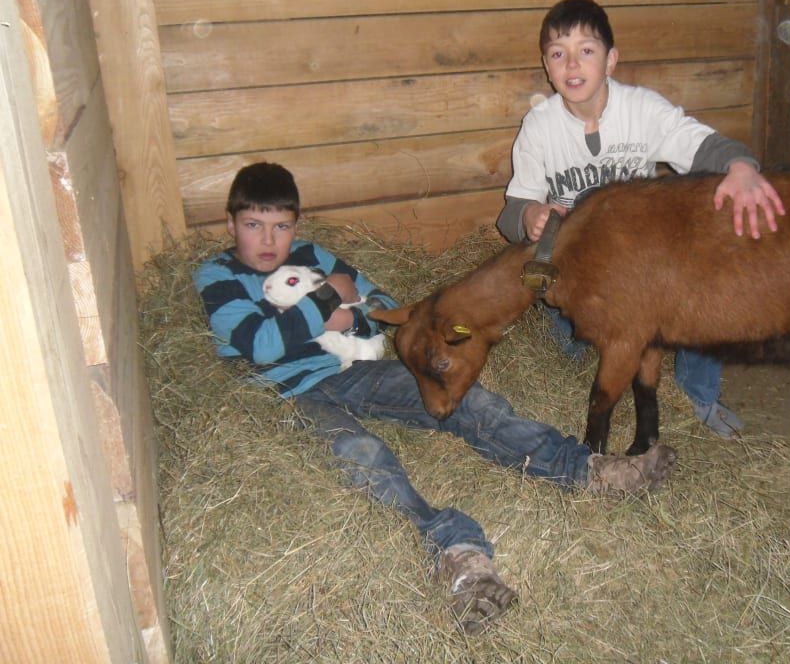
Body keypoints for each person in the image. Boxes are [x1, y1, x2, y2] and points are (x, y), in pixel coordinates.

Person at [193, 162, 679, 634]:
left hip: (353, 370)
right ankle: (458, 555)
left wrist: (349, 317)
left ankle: (586, 470)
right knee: (361, 454)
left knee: (469, 401)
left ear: (296, 226)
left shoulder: (312, 255)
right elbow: (260, 345)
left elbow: (383, 306)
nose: (269, 240)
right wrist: (327, 303)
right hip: (289, 393)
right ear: (231, 224)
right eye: (253, 225)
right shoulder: (218, 276)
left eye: (281, 226)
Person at [497, 0, 786, 440]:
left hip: (643, 257)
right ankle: (579, 336)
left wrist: (741, 165)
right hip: (581, 267)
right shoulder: (539, 127)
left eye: (586, 50)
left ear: (611, 60)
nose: (572, 64)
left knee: (702, 290)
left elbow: (702, 145)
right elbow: (511, 213)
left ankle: (699, 394)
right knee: (572, 342)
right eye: (558, 53)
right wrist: (530, 214)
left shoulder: (642, 110)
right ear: (547, 67)